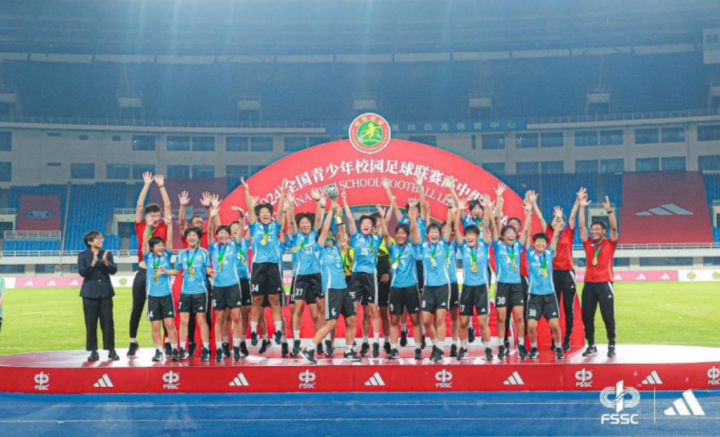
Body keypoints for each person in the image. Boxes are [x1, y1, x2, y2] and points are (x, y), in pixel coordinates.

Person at [301, 201, 362, 364]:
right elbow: (323, 230)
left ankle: (349, 352)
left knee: (351, 320)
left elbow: (342, 230)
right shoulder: (319, 250)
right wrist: (329, 212)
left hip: (344, 289)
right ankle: (309, 349)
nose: (329, 236)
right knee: (330, 324)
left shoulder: (336, 249)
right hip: (331, 290)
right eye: (326, 234)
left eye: (330, 234)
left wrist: (338, 212)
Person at [530, 192, 580, 352]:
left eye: (560, 220)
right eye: (554, 220)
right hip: (552, 276)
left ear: (564, 223)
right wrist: (534, 203)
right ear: (551, 222)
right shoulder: (548, 234)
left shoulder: (568, 233)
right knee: (554, 309)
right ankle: (555, 339)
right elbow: (540, 218)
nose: (557, 222)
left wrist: (578, 200)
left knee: (568, 308)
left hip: (567, 273)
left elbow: (572, 217)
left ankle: (567, 339)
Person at [128, 172, 171, 357]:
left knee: (163, 308)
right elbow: (139, 205)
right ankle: (133, 341)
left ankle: (167, 342)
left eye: (157, 215)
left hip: (160, 272)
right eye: (152, 215)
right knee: (137, 307)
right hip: (143, 271)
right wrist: (146, 185)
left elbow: (168, 206)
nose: (155, 218)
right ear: (146, 217)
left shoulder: (164, 226)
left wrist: (161, 186)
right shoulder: (140, 226)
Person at [242, 177, 287, 347]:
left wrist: (282, 193)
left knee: (274, 299)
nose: (265, 214)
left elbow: (281, 211)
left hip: (273, 266)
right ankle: (254, 331)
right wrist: (246, 191)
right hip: (258, 266)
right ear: (258, 216)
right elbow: (249, 209)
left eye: (268, 212)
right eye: (262, 213)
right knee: (257, 300)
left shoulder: (275, 226)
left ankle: (277, 331)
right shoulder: (254, 227)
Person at [343, 191, 385, 358]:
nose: (366, 225)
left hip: (370, 277)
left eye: (369, 223)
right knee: (352, 312)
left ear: (373, 227)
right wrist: (344, 201)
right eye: (363, 223)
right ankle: (351, 345)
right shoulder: (355, 238)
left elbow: (383, 227)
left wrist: (382, 217)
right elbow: (349, 219)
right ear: (360, 226)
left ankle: (375, 343)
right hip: (355, 277)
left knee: (373, 310)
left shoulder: (376, 239)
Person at [579, 191, 619, 358]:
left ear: (604, 231)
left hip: (604, 283)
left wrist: (609, 211)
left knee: (607, 316)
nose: (594, 231)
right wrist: (582, 207)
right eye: (593, 229)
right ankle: (591, 345)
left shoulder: (610, 243)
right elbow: (581, 227)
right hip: (589, 284)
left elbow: (614, 228)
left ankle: (611, 344)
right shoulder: (588, 243)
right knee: (587, 316)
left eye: (597, 229)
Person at [414, 200, 454, 362]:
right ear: (427, 235)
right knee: (425, 320)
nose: (434, 234)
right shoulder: (422, 247)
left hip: (443, 286)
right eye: (431, 232)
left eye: (437, 232)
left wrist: (450, 208)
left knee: (440, 318)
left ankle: (440, 350)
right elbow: (414, 230)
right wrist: (413, 211)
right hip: (428, 288)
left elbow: (449, 225)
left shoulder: (444, 245)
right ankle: (436, 345)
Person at [492, 191, 530, 360]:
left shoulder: (518, 246)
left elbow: (526, 229)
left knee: (520, 316)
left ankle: (521, 345)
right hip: (502, 285)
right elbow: (495, 225)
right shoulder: (498, 246)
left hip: (516, 285)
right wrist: (498, 200)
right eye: (508, 233)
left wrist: (528, 210)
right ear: (503, 236)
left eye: (513, 234)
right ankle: (502, 345)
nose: (511, 235)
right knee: (501, 317)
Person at [453, 197, 493, 361]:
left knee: (483, 322)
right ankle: (463, 348)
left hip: (482, 287)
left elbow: (486, 227)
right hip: (467, 288)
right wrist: (458, 211)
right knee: (463, 322)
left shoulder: (484, 245)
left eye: (472, 235)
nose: (469, 237)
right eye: (467, 235)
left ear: (477, 236)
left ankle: (488, 349)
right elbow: (456, 229)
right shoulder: (463, 247)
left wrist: (487, 208)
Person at [286, 189, 324, 357]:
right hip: (300, 277)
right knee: (298, 309)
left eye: (307, 223)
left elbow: (319, 219)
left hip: (315, 276)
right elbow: (291, 222)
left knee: (317, 313)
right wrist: (290, 205)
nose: (305, 225)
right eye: (302, 223)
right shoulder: (295, 236)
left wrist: (317, 201)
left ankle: (320, 342)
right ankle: (296, 342)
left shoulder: (314, 234)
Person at [385, 198, 423, 360]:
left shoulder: (413, 247)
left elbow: (414, 229)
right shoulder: (392, 247)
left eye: (403, 234)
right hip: (396, 288)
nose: (400, 236)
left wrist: (412, 211)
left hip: (411, 287)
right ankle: (394, 349)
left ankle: (418, 348)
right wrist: (384, 218)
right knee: (394, 319)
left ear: (407, 236)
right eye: (398, 233)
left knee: (415, 318)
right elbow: (384, 234)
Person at [524, 209, 565, 360]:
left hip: (549, 296)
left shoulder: (549, 253)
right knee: (531, 325)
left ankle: (559, 348)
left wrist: (559, 219)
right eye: (538, 241)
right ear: (534, 244)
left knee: (555, 325)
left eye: (543, 241)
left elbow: (555, 234)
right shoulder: (530, 253)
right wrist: (528, 213)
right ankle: (534, 348)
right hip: (534, 296)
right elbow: (527, 232)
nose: (540, 243)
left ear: (546, 244)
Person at [208, 204, 246, 362]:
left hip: (233, 286)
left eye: (225, 233)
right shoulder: (213, 247)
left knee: (237, 317)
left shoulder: (234, 245)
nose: (223, 235)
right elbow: (209, 232)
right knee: (220, 318)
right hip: (218, 287)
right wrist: (212, 217)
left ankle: (236, 347)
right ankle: (219, 349)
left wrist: (242, 217)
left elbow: (241, 230)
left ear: (229, 235)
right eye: (220, 233)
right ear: (217, 235)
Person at [177, 190, 213, 357]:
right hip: (188, 284)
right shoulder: (187, 239)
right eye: (196, 222)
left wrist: (208, 208)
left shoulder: (206, 237)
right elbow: (181, 223)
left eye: (201, 222)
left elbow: (212, 223)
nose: (199, 224)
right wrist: (183, 206)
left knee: (204, 316)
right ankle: (189, 343)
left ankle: (207, 346)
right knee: (187, 318)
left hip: (204, 282)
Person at [142, 215, 180, 362]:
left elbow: (169, 240)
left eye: (162, 245)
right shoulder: (148, 257)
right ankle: (158, 351)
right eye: (158, 245)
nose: (161, 247)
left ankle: (175, 350)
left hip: (166, 295)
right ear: (152, 248)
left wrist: (169, 224)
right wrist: (147, 226)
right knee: (155, 326)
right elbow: (145, 241)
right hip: (152, 296)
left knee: (169, 325)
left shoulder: (166, 256)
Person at [77, 231, 118, 362]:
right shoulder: (83, 255)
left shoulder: (107, 254)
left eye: (101, 238)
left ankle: (111, 349)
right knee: (91, 323)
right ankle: (93, 351)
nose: (101, 240)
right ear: (90, 242)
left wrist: (106, 263)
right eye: (98, 239)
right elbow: (82, 272)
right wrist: (92, 264)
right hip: (89, 294)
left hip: (105, 293)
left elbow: (114, 270)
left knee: (108, 323)